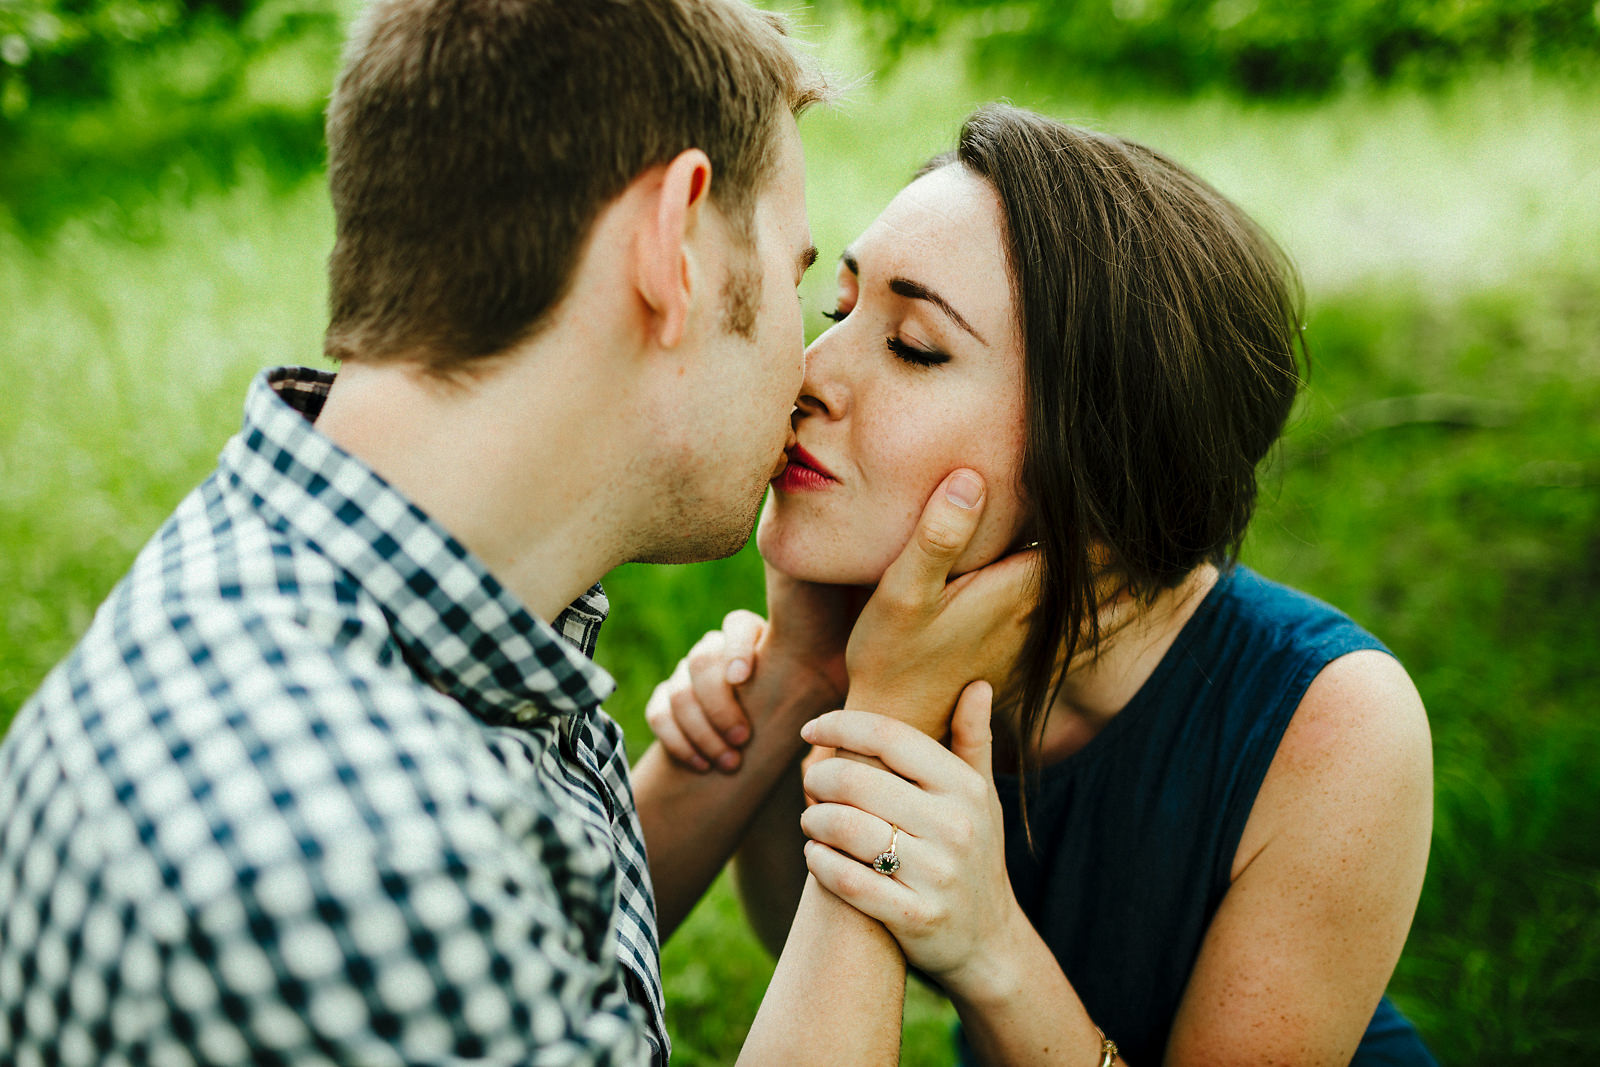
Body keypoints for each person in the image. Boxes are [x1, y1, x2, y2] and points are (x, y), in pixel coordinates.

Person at [0, 1, 1031, 1062]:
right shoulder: (375, 860)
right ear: (673, 245)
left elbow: (562, 952)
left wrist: (806, 671)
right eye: (798, 282)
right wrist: (892, 734)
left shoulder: (354, 584)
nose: (806, 371)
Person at [647, 104, 1438, 1065]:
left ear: (1098, 463)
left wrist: (989, 944)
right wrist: (796, 682)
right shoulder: (894, 627)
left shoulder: (1332, 723)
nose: (806, 376)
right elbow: (796, 942)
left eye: (914, 346)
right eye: (839, 310)